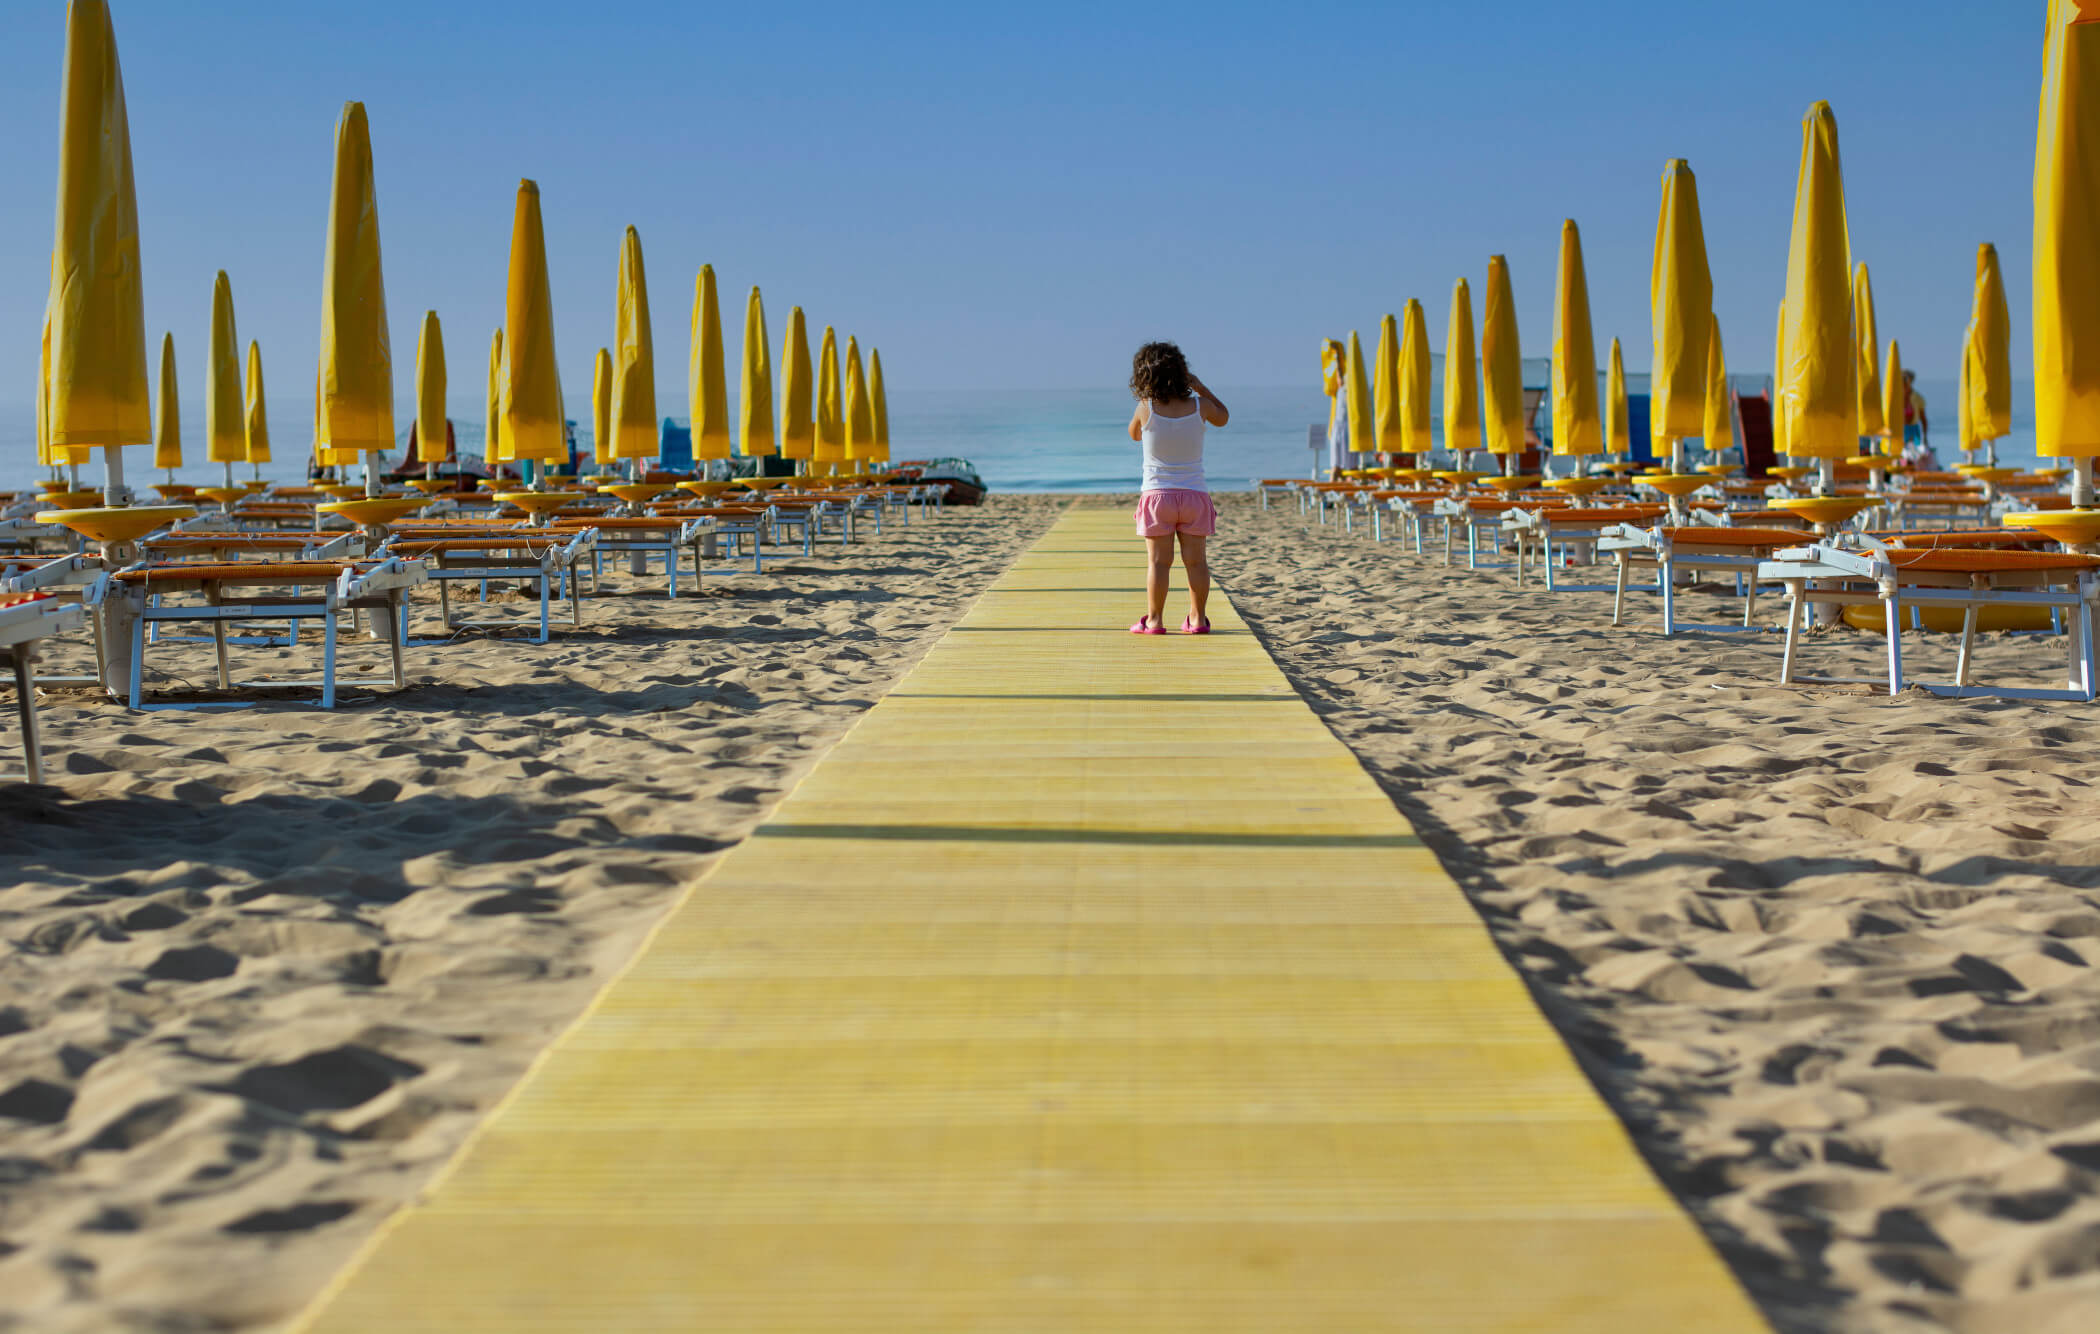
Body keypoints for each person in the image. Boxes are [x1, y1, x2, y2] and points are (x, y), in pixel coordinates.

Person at [1126, 341, 1228, 635]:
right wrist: (1201, 388)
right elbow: (1223, 417)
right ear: (1183, 373)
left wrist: (1145, 402)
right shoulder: (1200, 406)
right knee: (1196, 562)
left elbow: (1134, 435)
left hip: (1158, 496)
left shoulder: (1145, 408)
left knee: (1159, 563)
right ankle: (1197, 619)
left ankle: (1155, 621)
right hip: (1194, 494)